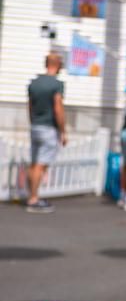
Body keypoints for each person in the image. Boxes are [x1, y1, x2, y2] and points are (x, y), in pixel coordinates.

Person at [24, 52, 66, 213]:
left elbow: (29, 106)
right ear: (57, 65)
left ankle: (31, 196)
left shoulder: (34, 84)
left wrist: (33, 122)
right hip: (49, 128)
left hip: (35, 126)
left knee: (34, 163)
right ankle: (34, 200)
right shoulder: (56, 84)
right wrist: (63, 131)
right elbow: (58, 108)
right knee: (40, 166)